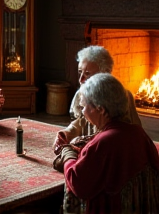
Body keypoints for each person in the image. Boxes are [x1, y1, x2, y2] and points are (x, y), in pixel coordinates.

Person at [61, 73, 159, 213]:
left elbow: (77, 183)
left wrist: (67, 154)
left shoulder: (104, 142)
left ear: (100, 109)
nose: (82, 112)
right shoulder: (138, 132)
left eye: (83, 106)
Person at [53, 45, 141, 155]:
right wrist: (67, 133)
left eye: (87, 74)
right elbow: (81, 122)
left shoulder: (123, 96)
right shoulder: (81, 93)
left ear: (105, 73)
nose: (81, 80)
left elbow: (133, 131)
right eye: (80, 72)